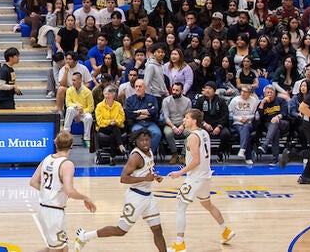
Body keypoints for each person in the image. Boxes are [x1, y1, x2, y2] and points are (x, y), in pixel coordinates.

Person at [74, 130, 168, 252]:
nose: (145, 143)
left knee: (157, 229)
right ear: (136, 142)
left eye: (147, 140)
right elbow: (123, 178)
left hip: (148, 197)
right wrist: (145, 178)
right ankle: (85, 236)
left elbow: (146, 170)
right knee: (121, 230)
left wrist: (154, 176)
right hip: (136, 198)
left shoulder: (149, 151)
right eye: (142, 140)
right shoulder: (135, 157)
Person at [165, 109, 235, 251]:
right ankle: (225, 230)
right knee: (207, 204)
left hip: (196, 177)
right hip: (205, 175)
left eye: (187, 118)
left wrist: (180, 173)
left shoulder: (192, 137)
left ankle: (179, 244)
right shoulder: (204, 133)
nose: (184, 120)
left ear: (194, 121)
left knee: (180, 207)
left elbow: (196, 161)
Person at [30, 131, 97, 252]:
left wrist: (48, 192)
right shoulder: (67, 164)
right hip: (54, 212)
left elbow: (33, 182)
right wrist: (85, 198)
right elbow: (69, 191)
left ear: (56, 144)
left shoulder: (47, 159)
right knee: (60, 249)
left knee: (54, 248)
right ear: (71, 145)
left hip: (42, 209)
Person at [161, 82, 192, 164]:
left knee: (190, 133)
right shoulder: (166, 101)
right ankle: (174, 153)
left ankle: (183, 155)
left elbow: (188, 116)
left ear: (182, 91)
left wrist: (182, 126)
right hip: (170, 124)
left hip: (183, 123)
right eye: (173, 90)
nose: (174, 92)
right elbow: (166, 117)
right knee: (168, 133)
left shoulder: (187, 101)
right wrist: (173, 127)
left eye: (177, 90)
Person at [63, 72, 94, 145]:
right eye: (72, 80)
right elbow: (68, 103)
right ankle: (66, 134)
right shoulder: (69, 90)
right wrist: (76, 106)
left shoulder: (88, 92)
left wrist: (82, 111)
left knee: (89, 118)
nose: (72, 82)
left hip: (83, 112)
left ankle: (87, 139)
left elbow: (91, 107)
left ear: (80, 80)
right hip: (74, 110)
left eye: (74, 80)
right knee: (69, 109)